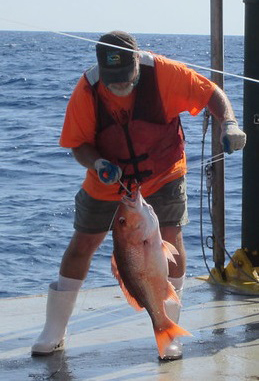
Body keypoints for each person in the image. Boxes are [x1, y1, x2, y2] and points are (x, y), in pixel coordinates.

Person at [31, 31, 246, 360]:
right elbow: (78, 145)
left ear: (137, 63)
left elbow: (211, 93)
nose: (120, 86)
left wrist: (229, 123)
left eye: (126, 79)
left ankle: (168, 328)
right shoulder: (87, 90)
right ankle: (54, 331)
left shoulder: (164, 73)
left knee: (171, 239)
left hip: (164, 172)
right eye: (112, 81)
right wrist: (98, 162)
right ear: (101, 70)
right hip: (109, 179)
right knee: (82, 244)